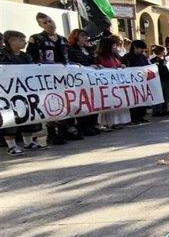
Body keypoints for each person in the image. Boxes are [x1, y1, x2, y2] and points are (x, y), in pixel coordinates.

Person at [26, 12, 77, 144]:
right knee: (51, 103)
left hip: (63, 77)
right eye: (45, 23)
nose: (49, 24)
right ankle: (52, 134)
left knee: (65, 102)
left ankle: (64, 130)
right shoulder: (36, 39)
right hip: (47, 77)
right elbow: (30, 58)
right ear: (40, 25)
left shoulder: (63, 39)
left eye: (50, 21)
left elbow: (70, 57)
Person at [1, 31, 48, 155]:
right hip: (8, 93)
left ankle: (28, 142)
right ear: (11, 40)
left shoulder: (26, 56)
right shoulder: (2, 55)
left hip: (26, 92)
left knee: (29, 114)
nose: (25, 42)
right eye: (21, 39)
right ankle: (12, 146)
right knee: (11, 117)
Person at [67, 29, 100, 137]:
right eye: (83, 36)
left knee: (93, 102)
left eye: (86, 36)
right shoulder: (71, 50)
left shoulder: (88, 49)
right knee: (83, 103)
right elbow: (71, 63)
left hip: (90, 80)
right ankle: (83, 126)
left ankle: (92, 124)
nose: (86, 38)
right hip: (79, 81)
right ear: (76, 38)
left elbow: (92, 61)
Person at [96, 37, 131, 129]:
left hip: (117, 84)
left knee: (118, 102)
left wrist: (121, 66)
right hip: (107, 84)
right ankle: (108, 123)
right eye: (113, 45)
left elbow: (118, 65)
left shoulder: (115, 56)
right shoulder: (100, 57)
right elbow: (98, 68)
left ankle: (117, 121)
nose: (115, 47)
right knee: (110, 104)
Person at [122, 40, 151, 124]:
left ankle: (141, 116)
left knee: (142, 100)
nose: (143, 51)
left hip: (142, 83)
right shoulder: (127, 57)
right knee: (133, 101)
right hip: (132, 84)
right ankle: (133, 118)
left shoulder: (143, 57)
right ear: (135, 47)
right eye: (141, 49)